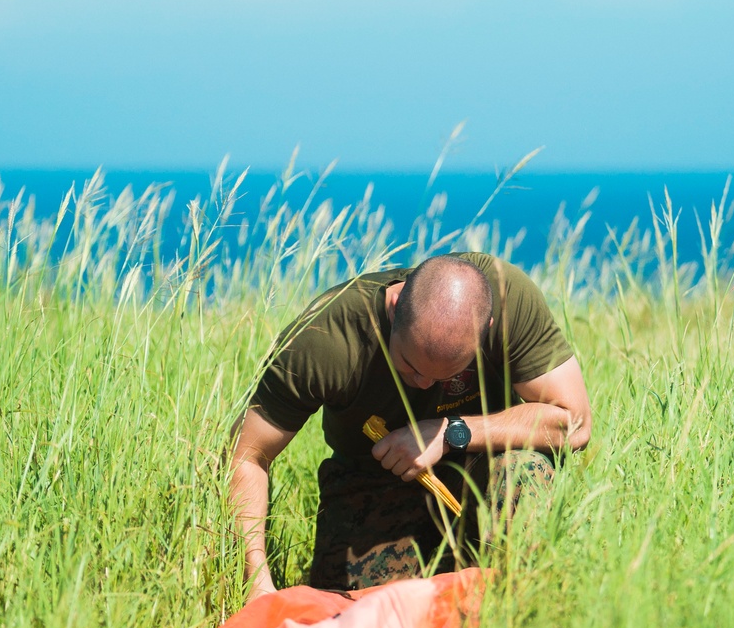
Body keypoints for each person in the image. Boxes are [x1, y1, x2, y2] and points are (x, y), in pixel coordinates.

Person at [229, 252, 591, 596]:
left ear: (489, 328)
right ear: (394, 305)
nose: (423, 384)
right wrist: (257, 582)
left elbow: (574, 423)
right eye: (410, 366)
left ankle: (526, 608)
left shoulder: (508, 295)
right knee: (354, 617)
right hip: (374, 484)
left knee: (525, 467)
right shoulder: (325, 340)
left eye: (446, 374)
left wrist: (450, 432)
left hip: (477, 474)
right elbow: (246, 455)